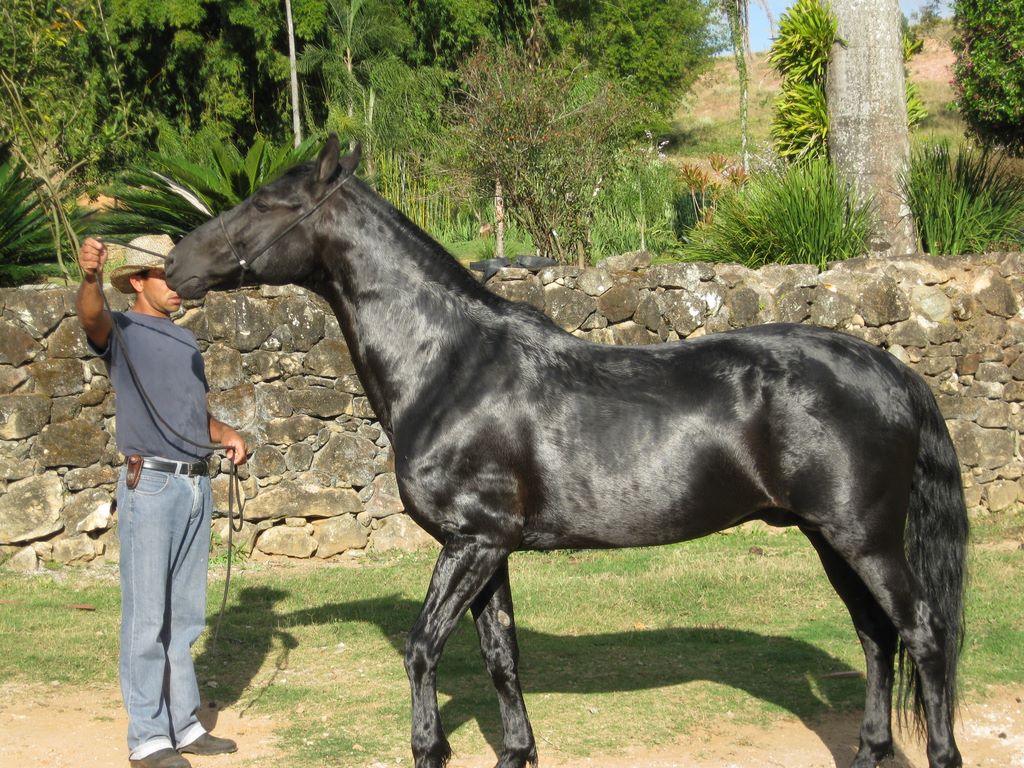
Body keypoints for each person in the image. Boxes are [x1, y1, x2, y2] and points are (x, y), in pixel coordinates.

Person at [76, 235, 248, 768]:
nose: (179, 286)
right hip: (149, 484)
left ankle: (184, 722)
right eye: (166, 276)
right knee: (147, 616)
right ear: (136, 281)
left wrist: (225, 433)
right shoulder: (120, 330)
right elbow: (89, 318)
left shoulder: (186, 341)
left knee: (187, 616)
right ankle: (148, 738)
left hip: (196, 483)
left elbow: (192, 412)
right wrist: (89, 277)